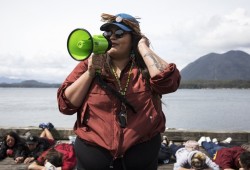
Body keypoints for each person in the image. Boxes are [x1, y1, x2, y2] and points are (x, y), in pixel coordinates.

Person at [57, 12, 181, 170]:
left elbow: (168, 82)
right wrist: (90, 73)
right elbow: (65, 104)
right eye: (108, 33)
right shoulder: (88, 64)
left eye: (120, 33)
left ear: (133, 39)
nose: (112, 37)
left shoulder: (146, 67)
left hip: (140, 155)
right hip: (93, 157)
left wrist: (143, 47)